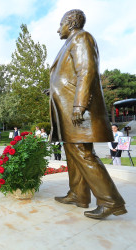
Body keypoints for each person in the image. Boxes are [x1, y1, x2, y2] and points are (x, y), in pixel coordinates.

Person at [50, 9, 126, 219]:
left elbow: (86, 70)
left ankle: (111, 201)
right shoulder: (69, 42)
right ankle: (78, 194)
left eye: (61, 25)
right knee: (72, 152)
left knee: (83, 153)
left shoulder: (81, 37)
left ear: (71, 23)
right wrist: (55, 89)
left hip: (77, 110)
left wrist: (79, 105)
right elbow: (70, 76)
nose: (58, 30)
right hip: (68, 108)